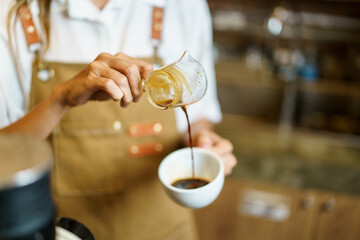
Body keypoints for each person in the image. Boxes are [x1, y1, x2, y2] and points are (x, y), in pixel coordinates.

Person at [0, 0, 237, 239]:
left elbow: (197, 118)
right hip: (68, 231)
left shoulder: (184, 6)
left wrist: (202, 141)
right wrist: (61, 99)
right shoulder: (11, 13)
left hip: (164, 230)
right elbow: (3, 154)